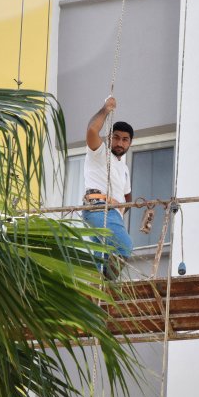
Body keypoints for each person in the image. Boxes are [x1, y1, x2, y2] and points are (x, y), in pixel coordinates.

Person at [81, 96, 134, 271]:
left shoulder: (124, 168)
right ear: (109, 137)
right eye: (116, 137)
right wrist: (105, 109)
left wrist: (120, 207)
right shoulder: (100, 152)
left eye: (125, 139)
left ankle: (101, 290)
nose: (120, 143)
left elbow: (128, 196)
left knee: (102, 260)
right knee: (124, 246)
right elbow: (91, 131)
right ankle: (107, 287)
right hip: (98, 207)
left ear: (130, 143)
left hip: (111, 213)